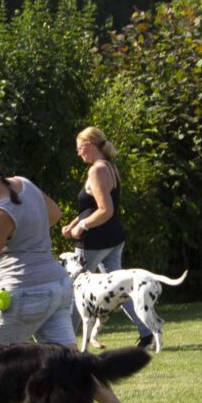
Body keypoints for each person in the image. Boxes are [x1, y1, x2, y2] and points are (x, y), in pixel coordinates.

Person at [0, 152, 145, 403]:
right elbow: (54, 214)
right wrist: (30, 231)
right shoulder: (24, 184)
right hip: (57, 288)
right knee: (72, 363)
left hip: (20, 295)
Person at [61, 125, 149, 346]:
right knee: (122, 289)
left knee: (75, 290)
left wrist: (82, 226)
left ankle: (65, 342)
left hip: (96, 242)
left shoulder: (97, 170)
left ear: (89, 145)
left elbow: (105, 210)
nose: (78, 153)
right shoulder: (110, 166)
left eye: (79, 148)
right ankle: (147, 333)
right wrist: (74, 223)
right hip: (113, 238)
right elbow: (91, 207)